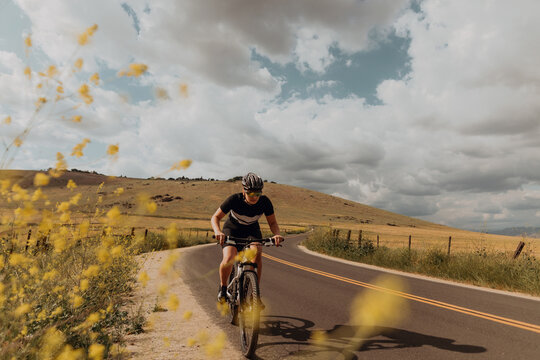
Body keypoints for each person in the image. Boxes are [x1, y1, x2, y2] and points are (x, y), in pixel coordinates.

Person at [211, 172, 283, 306]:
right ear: (244, 190)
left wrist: (276, 234)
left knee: (257, 254)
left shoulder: (265, 202)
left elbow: (272, 223)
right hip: (232, 229)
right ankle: (223, 288)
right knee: (229, 258)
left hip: (252, 230)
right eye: (251, 193)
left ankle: (255, 295)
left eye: (258, 193)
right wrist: (218, 232)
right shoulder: (234, 199)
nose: (254, 197)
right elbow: (215, 217)